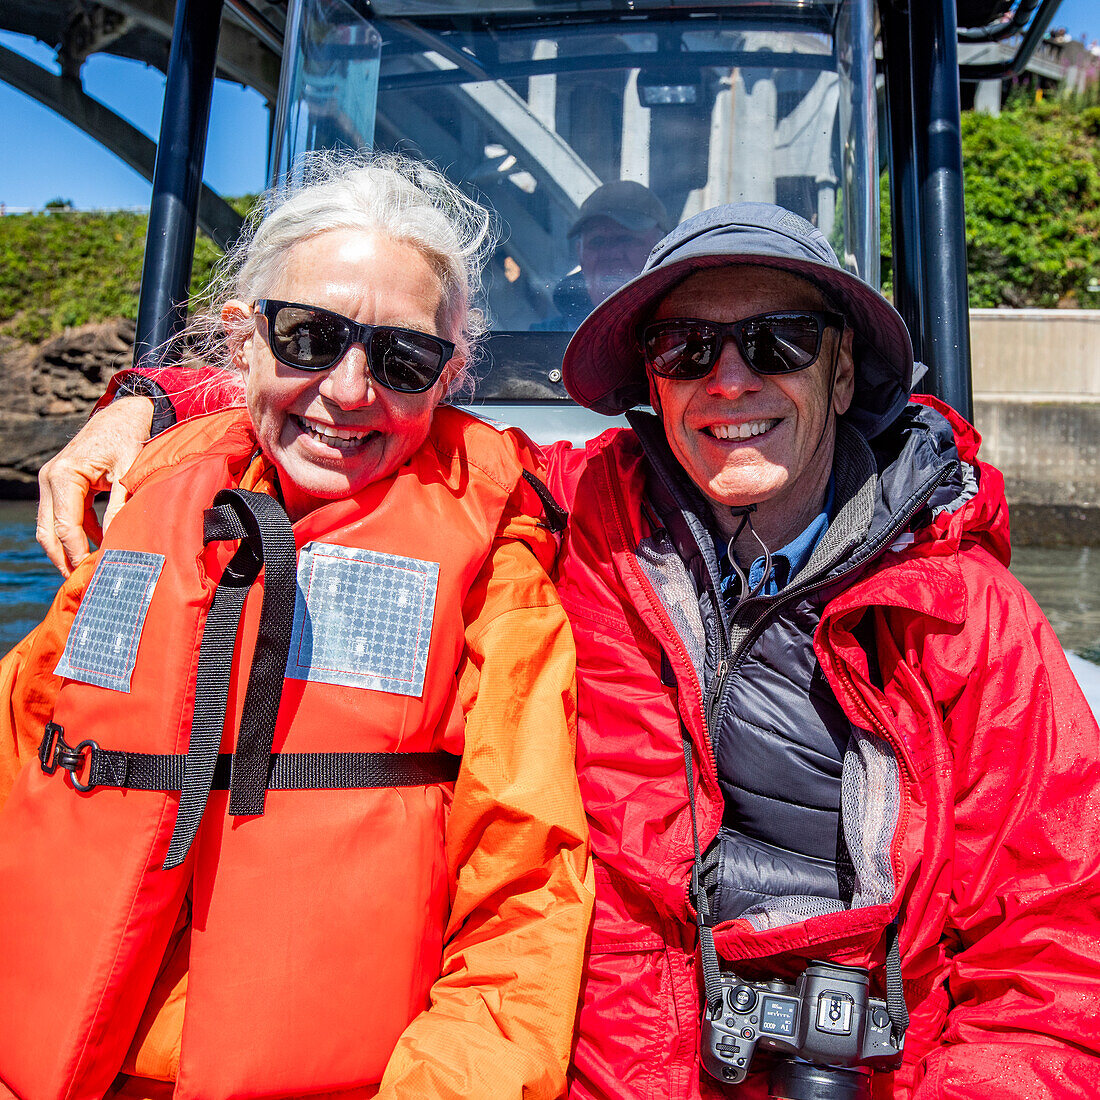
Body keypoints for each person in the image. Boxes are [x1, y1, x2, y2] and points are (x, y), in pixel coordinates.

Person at [34, 203, 1100, 1098]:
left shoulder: (965, 615)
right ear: (651, 380)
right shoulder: (574, 505)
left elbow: (1056, 950)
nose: (727, 380)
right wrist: (150, 400)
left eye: (776, 341)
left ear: (840, 371)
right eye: (686, 349)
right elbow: (352, 400)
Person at [0, 152, 593, 1100]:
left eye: (403, 359)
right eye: (309, 336)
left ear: (447, 381)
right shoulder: (146, 497)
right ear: (242, 343)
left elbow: (525, 893)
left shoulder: (493, 566)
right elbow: (25, 744)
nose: (351, 389)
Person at [537, 180, 670, 331]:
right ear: (580, 254)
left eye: (626, 239)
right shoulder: (537, 340)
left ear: (663, 250)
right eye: (597, 241)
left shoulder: (689, 332)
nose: (610, 254)